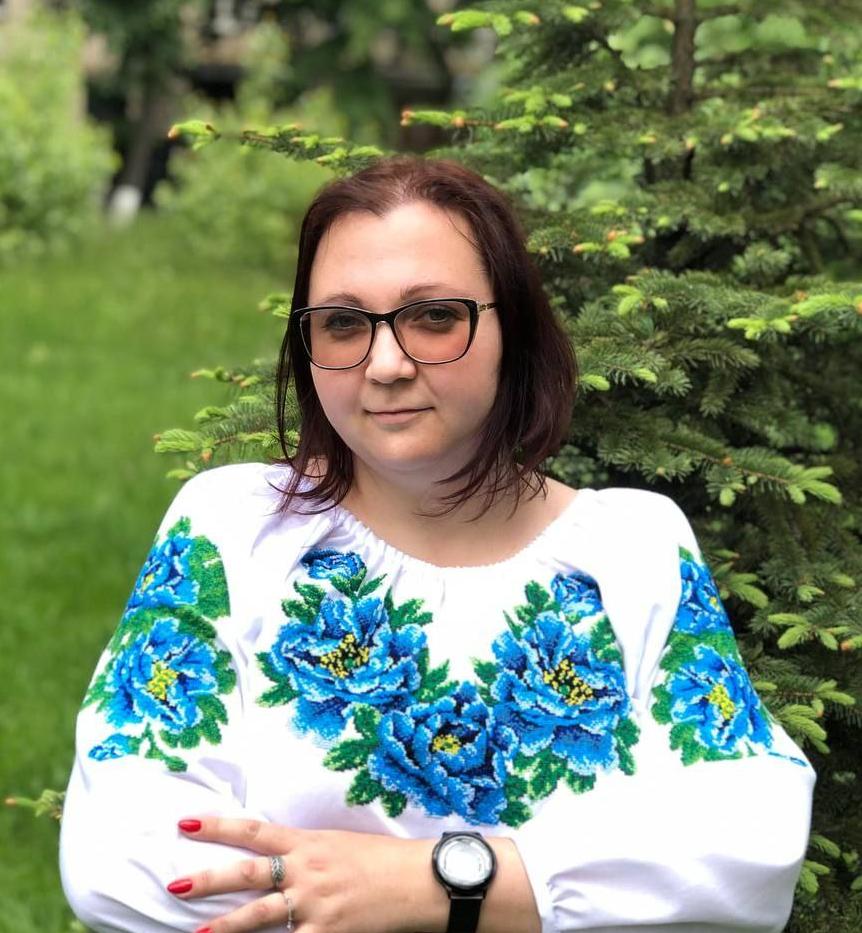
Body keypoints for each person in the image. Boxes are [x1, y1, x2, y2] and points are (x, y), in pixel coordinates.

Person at [59, 154, 816, 933]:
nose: (386, 364)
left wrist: (433, 883)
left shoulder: (631, 549)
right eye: (343, 323)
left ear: (512, 327)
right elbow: (122, 855)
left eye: (434, 317)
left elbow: (746, 844)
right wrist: (539, 899)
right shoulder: (235, 529)